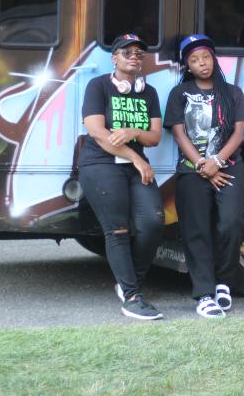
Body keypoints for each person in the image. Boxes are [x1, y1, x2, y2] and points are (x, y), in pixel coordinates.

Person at [163, 34, 244, 318]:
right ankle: (204, 293)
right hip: (192, 170)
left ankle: (223, 282)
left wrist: (217, 161)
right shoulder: (180, 94)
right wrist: (202, 164)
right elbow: (179, 133)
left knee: (231, 223)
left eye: (206, 57)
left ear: (214, 59)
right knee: (196, 229)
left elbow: (239, 133)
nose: (202, 63)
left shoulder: (232, 93)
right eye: (194, 60)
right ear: (187, 65)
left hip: (230, 166)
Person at [79, 33, 165, 320]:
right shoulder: (99, 86)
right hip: (101, 164)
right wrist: (137, 157)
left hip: (134, 168)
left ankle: (130, 283)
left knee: (153, 221)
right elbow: (97, 132)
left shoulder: (148, 92)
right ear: (113, 57)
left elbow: (154, 136)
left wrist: (133, 133)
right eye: (126, 52)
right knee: (117, 229)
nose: (133, 56)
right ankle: (132, 297)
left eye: (139, 53)